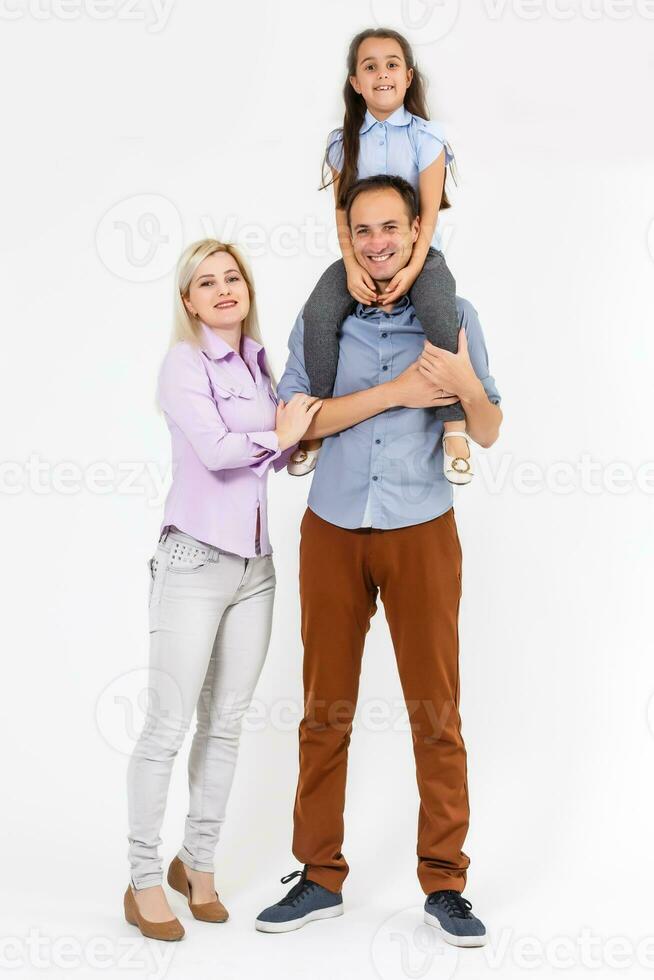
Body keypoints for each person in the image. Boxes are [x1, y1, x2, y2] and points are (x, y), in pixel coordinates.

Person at [255, 176, 502, 946]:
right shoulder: (324, 321)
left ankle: (445, 883)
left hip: (421, 528)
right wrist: (399, 392)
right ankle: (320, 876)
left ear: (416, 229)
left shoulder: (453, 316)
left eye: (390, 226)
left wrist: (458, 383)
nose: (377, 241)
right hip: (330, 529)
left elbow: (487, 427)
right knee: (324, 712)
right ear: (348, 236)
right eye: (363, 229)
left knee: (437, 713)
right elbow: (294, 424)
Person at [124, 238, 321, 941]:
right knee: (167, 726)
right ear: (189, 302)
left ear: (247, 287)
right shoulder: (183, 364)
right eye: (206, 282)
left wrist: (299, 440)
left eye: (232, 276)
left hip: (255, 569)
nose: (222, 289)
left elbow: (280, 448)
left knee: (226, 724)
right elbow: (214, 451)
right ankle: (143, 877)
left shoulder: (260, 364)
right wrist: (283, 432)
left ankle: (197, 865)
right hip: (193, 562)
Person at [289, 27, 472, 485]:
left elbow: (427, 217)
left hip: (419, 253)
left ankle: (453, 424)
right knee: (321, 311)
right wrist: (351, 266)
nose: (382, 74)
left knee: (439, 309)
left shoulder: (426, 137)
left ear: (408, 77)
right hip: (363, 254)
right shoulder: (342, 141)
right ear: (355, 82)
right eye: (369, 66)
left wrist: (413, 269)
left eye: (392, 65)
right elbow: (340, 214)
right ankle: (316, 421)